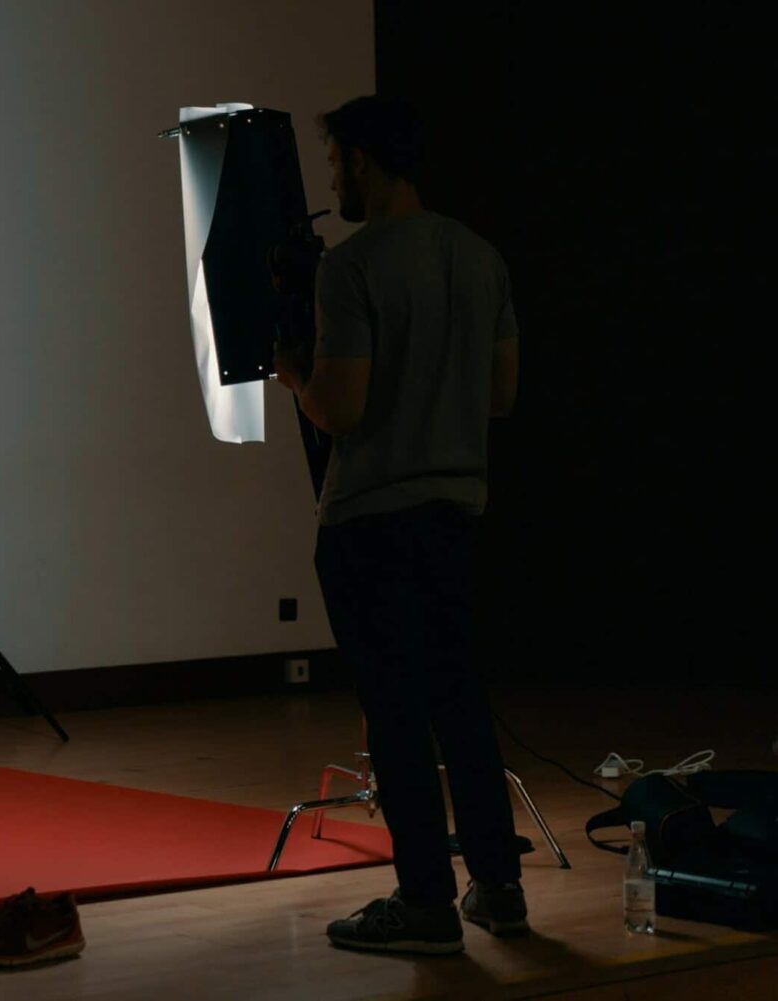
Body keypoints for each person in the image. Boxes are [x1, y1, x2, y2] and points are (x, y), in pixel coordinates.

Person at [272, 97, 525, 955]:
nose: (333, 180)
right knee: (462, 704)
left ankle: (424, 904)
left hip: (371, 523)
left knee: (396, 718)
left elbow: (341, 407)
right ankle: (499, 888)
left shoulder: (351, 267)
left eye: (335, 162)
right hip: (458, 516)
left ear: (363, 162)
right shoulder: (481, 257)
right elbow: (502, 394)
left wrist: (294, 377)